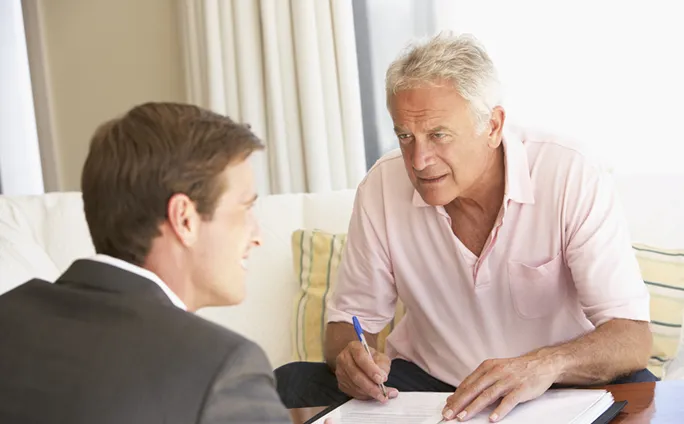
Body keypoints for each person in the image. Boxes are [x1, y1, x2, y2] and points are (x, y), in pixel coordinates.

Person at [275, 33, 655, 422]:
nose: (419, 160)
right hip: (430, 383)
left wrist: (542, 365)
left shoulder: (568, 172)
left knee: (641, 388)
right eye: (405, 136)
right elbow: (348, 325)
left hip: (558, 382)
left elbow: (631, 337)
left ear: (492, 126)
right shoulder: (381, 187)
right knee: (286, 383)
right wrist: (352, 359)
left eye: (438, 135)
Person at [0, 103, 292, 423]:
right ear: (184, 219)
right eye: (245, 208)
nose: (257, 235)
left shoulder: (8, 315)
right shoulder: (222, 369)